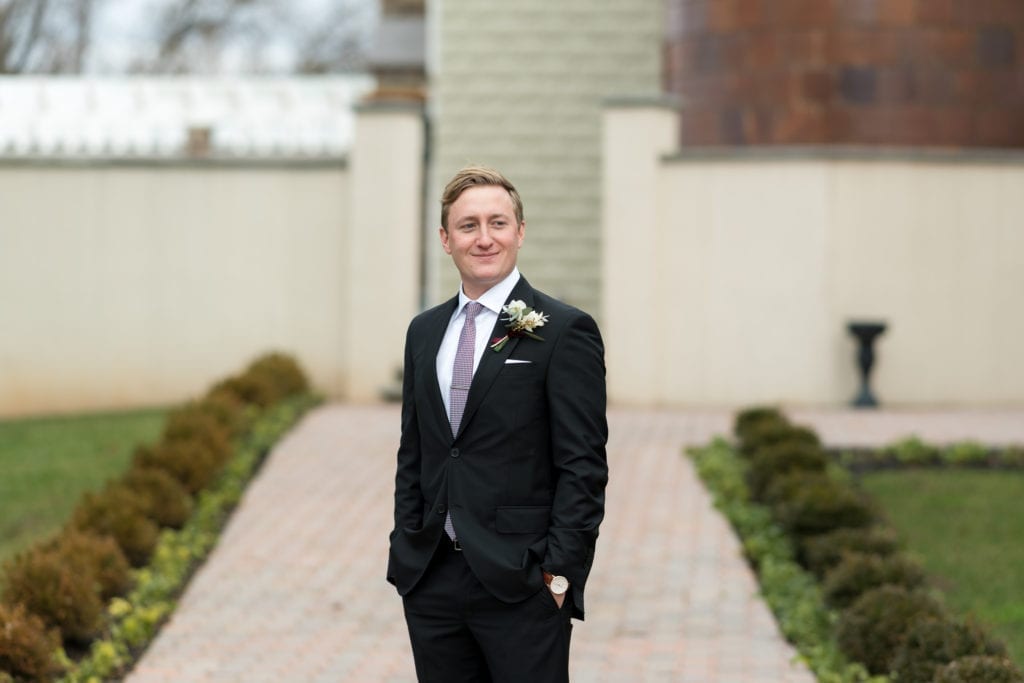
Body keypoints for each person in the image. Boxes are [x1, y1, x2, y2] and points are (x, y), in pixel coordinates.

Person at [387, 165, 609, 683]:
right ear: (445, 239)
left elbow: (583, 466)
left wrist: (559, 575)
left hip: (523, 582)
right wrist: (406, 549)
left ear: (520, 232)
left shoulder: (563, 332)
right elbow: (414, 450)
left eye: (498, 223)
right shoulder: (424, 332)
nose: (484, 238)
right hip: (432, 579)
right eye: (468, 226)